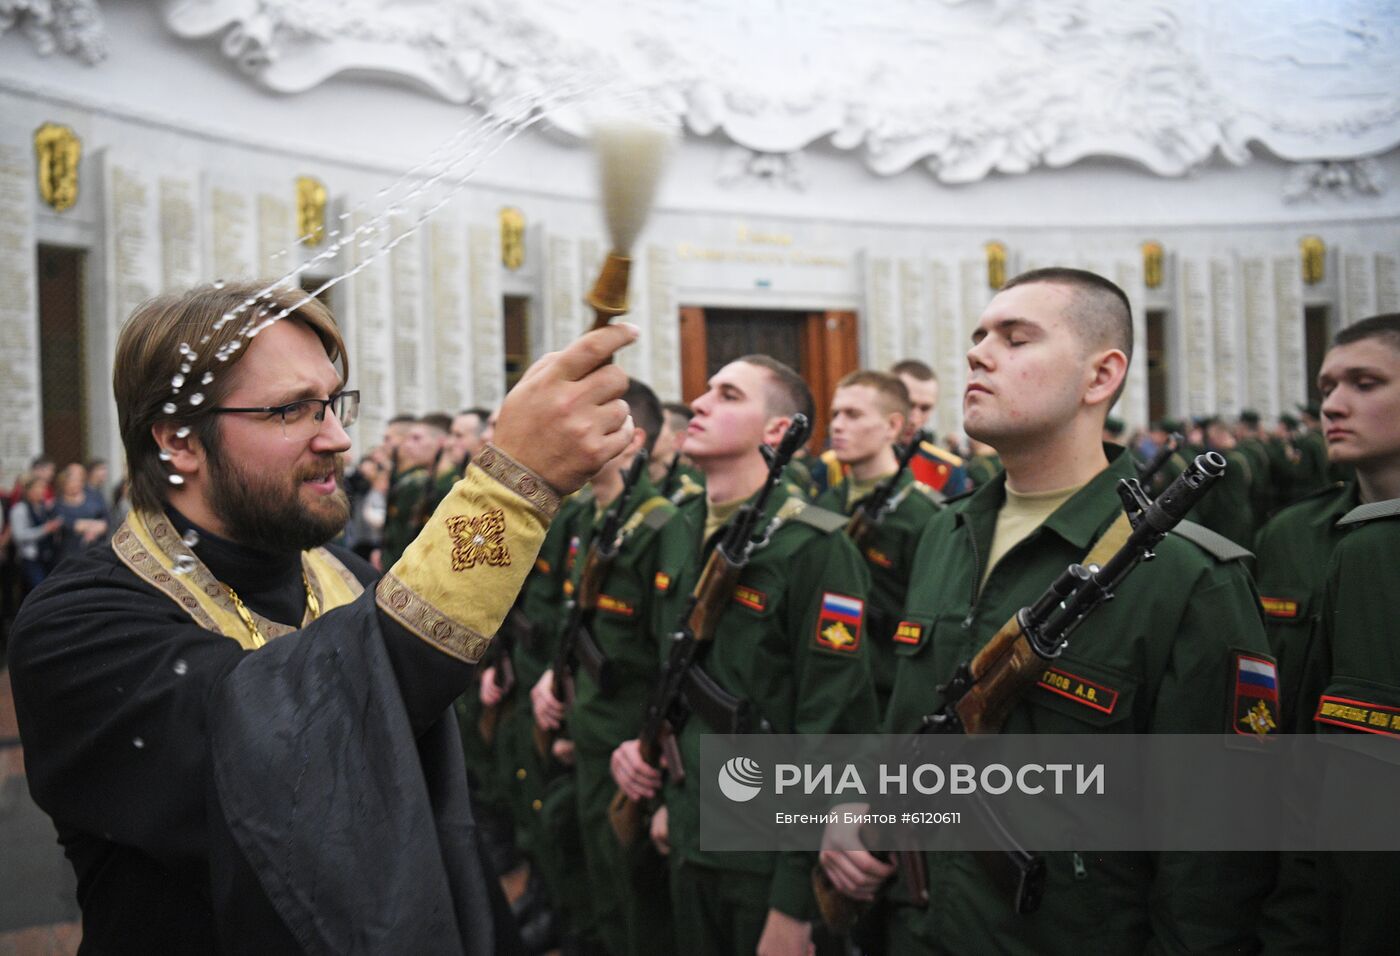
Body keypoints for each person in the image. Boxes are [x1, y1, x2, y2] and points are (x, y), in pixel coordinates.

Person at [8, 280, 637, 954]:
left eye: (335, 404)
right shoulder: (77, 627)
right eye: (293, 411)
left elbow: (434, 827)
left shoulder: (351, 579)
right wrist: (508, 487)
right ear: (179, 440)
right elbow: (285, 759)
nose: (338, 438)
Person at [821, 267, 1276, 954]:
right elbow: (909, 721)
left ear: (1100, 377)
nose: (978, 353)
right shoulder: (946, 535)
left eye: (1016, 338)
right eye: (977, 337)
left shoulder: (1189, 578)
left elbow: (1213, 868)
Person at [612, 354, 877, 956]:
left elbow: (833, 727)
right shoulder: (678, 529)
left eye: (728, 395)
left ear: (777, 432)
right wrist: (655, 780)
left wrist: (793, 905)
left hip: (766, 849)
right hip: (687, 828)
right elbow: (671, 676)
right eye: (705, 391)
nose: (701, 404)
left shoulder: (815, 546)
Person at [531, 378, 691, 956]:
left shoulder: (662, 523)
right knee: (599, 874)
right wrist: (555, 681)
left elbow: (670, 654)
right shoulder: (587, 518)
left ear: (634, 439)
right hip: (589, 723)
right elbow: (575, 623)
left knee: (635, 898)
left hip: (629, 739)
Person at [1256, 313, 1400, 952]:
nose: (1335, 406)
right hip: (1302, 867)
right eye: (1326, 388)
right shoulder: (1291, 537)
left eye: (1366, 383)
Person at [815, 370, 943, 713]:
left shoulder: (924, 515)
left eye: (853, 415)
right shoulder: (825, 503)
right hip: (824, 688)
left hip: (884, 696)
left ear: (892, 426)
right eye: (835, 415)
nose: (837, 426)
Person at [890, 360, 969, 495]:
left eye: (925, 408)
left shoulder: (948, 468)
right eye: (908, 405)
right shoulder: (851, 457)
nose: (914, 419)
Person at [381, 414, 449, 568]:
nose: (407, 445)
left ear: (441, 443)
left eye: (416, 438)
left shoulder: (446, 486)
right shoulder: (427, 481)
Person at [8, 475, 61, 595]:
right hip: (30, 558)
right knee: (39, 589)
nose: (41, 491)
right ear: (28, 491)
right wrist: (45, 529)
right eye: (37, 488)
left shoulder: (43, 508)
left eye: (43, 488)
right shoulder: (19, 509)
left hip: (47, 555)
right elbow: (19, 536)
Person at [53, 462, 110, 564]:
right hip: (70, 552)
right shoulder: (58, 505)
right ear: (63, 484)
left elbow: (105, 521)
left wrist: (93, 530)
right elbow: (69, 524)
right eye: (71, 481)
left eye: (78, 481)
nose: (76, 484)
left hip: (96, 550)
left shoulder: (94, 497)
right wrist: (93, 525)